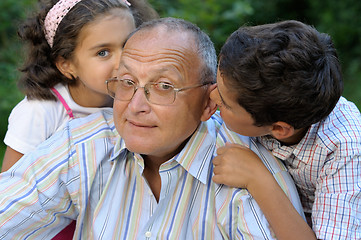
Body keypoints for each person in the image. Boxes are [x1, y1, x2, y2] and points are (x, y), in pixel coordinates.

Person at [0, 17, 305, 239]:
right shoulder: (83, 143)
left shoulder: (252, 178)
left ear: (208, 103)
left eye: (163, 87)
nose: (135, 106)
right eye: (127, 82)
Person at [1, 0, 158, 239]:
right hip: (54, 226)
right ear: (67, 65)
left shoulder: (135, 101)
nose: (122, 62)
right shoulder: (41, 111)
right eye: (103, 52)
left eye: (127, 45)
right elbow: (11, 190)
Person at [211, 20, 361, 240]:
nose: (212, 96)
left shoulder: (345, 149)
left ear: (279, 129)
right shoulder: (270, 104)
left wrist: (257, 178)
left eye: (224, 103)